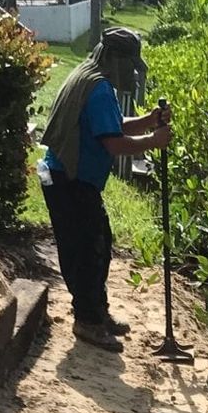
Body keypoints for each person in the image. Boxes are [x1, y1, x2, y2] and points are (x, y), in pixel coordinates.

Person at [39, 27, 172, 352]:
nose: (133, 72)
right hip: (68, 180)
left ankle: (95, 312)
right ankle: (87, 322)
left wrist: (147, 120)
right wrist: (153, 141)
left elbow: (110, 124)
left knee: (96, 244)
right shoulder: (98, 88)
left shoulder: (92, 76)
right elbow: (112, 142)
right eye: (130, 64)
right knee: (86, 250)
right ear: (115, 59)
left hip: (64, 176)